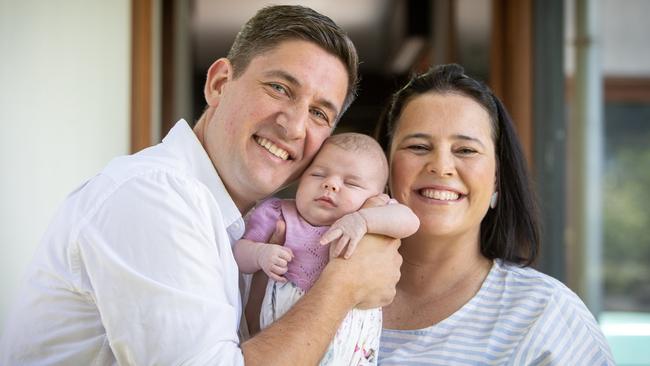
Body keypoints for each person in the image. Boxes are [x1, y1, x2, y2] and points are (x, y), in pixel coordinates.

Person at [0, 5, 403, 366]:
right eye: (279, 88)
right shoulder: (154, 197)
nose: (294, 126)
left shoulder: (242, 221)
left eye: (318, 113)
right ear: (219, 83)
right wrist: (343, 285)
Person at [374, 64, 615, 365]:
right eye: (419, 146)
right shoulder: (322, 286)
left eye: (466, 150)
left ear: (498, 179)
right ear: (384, 166)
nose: (441, 166)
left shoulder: (543, 315)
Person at [233, 132, 419, 365]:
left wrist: (363, 221)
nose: (330, 184)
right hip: (284, 341)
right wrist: (259, 254)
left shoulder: (374, 216)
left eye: (350, 183)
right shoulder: (278, 213)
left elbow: (411, 221)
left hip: (352, 346)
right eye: (318, 174)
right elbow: (238, 252)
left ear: (378, 196)